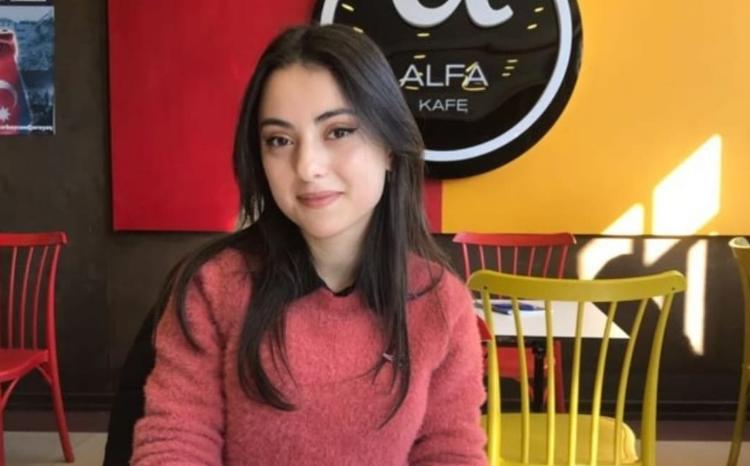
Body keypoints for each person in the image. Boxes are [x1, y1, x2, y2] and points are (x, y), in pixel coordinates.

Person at [131, 23, 486, 466]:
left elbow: (449, 452)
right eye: (279, 141)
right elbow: (176, 443)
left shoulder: (441, 305)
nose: (307, 166)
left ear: (390, 148)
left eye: (338, 131)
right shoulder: (212, 287)